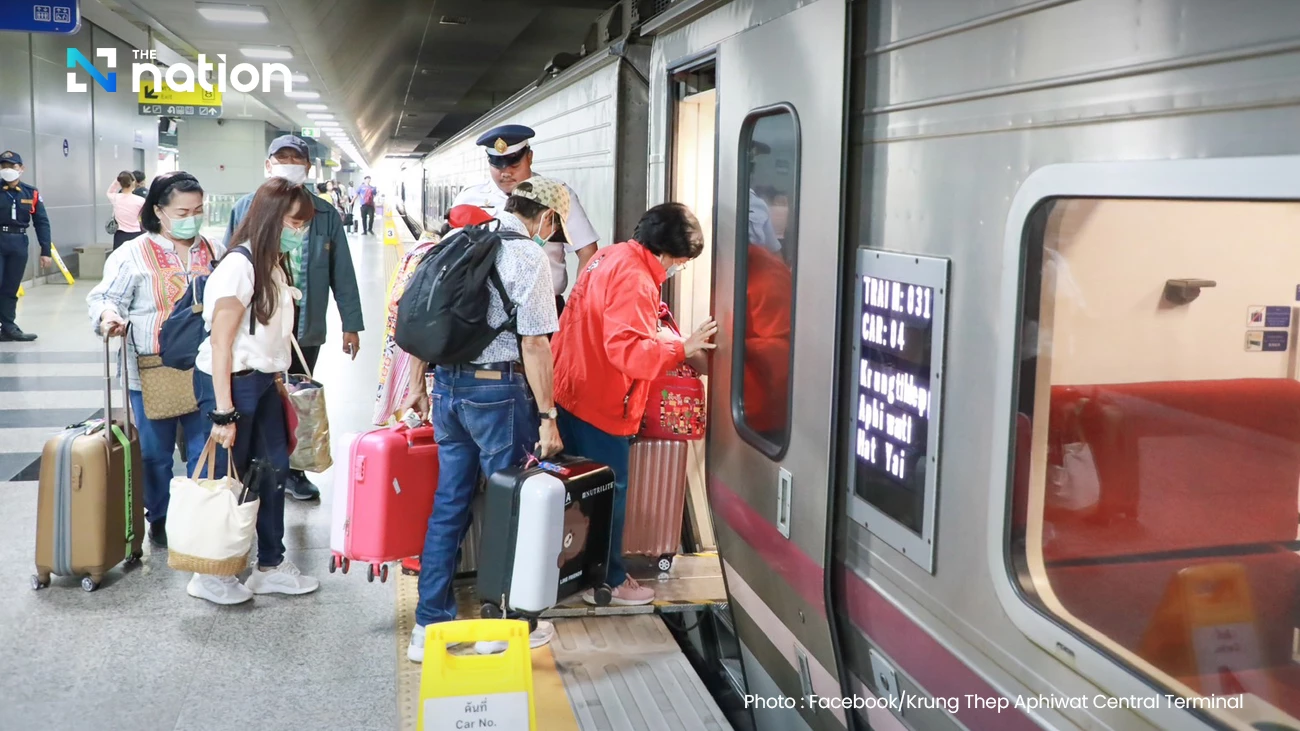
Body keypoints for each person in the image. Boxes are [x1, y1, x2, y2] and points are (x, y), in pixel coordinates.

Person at [402, 177, 567, 662]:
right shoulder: (528, 256)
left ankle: (428, 624)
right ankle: (505, 625)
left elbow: (420, 319)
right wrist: (548, 415)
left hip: (448, 389)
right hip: (498, 392)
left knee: (449, 503)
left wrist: (417, 382)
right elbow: (536, 344)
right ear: (547, 219)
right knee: (508, 507)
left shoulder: (456, 242)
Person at [551, 202, 717, 606]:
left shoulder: (609, 255)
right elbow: (627, 351)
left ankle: (572, 573)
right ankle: (606, 581)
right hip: (601, 402)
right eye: (682, 261)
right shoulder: (639, 279)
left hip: (571, 387)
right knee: (608, 493)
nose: (679, 268)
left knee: (577, 493)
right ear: (667, 253)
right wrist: (682, 347)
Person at [185, 176, 320, 605]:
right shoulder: (238, 267)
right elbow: (222, 344)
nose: (299, 232)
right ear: (271, 220)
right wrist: (223, 413)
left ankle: (270, 565)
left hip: (261, 383)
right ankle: (209, 573)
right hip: (230, 386)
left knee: (274, 468)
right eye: (294, 223)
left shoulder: (272, 264)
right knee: (227, 478)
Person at [226, 135, 364, 501]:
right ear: (269, 164)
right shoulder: (247, 207)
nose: (289, 163)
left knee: (298, 395)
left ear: (306, 166)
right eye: (281, 157)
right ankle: (254, 468)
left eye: (296, 158)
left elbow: (343, 272)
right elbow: (229, 261)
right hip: (258, 327)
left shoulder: (323, 213)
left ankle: (295, 470)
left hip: (306, 326)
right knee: (256, 396)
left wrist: (351, 324)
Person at [88, 171, 220, 547]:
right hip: (151, 370)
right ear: (159, 210)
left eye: (198, 209)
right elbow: (104, 298)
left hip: (204, 367)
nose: (192, 217)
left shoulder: (212, 250)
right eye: (182, 210)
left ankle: (200, 515)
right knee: (155, 454)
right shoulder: (132, 253)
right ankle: (159, 514)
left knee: (205, 447)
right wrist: (108, 317)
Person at [453, 125, 599, 316]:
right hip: (483, 310)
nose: (505, 173)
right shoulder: (470, 198)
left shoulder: (556, 194)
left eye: (514, 165)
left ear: (529, 157)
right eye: (497, 165)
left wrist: (579, 304)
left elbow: (588, 251)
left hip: (545, 307)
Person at [373, 204, 493, 427]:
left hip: (408, 342)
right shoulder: (445, 258)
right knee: (422, 418)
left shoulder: (425, 251)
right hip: (423, 353)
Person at [0, 151, 52, 342]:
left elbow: (42, 222)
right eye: (3, 166)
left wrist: (45, 250)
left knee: (11, 287)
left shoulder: (32, 193)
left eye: (12, 166)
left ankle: (8, 327)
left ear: (21, 169)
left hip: (19, 243)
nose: (7, 170)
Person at [106, 170, 146, 249]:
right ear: (133, 183)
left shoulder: (115, 198)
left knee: (119, 259)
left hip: (120, 235)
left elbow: (110, 191)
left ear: (120, 183)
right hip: (136, 234)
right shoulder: (141, 200)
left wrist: (117, 181)